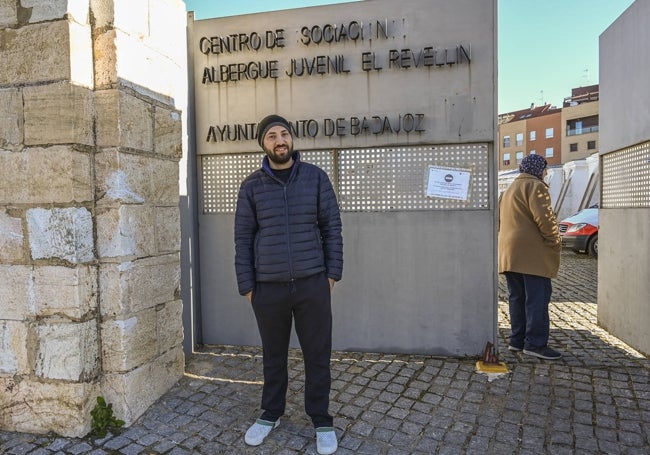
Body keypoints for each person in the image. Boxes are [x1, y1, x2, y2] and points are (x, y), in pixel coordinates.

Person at [234, 114, 343, 454]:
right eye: (271, 136)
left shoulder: (315, 178)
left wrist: (331, 275)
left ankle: (321, 419)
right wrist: (248, 287)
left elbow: (332, 228)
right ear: (263, 144)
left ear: (292, 139)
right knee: (273, 355)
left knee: (317, 354)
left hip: (312, 283)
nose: (279, 140)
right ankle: (271, 413)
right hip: (268, 288)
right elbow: (242, 238)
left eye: (284, 134)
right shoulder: (252, 186)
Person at [498, 153, 562, 360]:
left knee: (517, 297)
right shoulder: (536, 186)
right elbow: (545, 219)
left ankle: (517, 341)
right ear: (537, 168)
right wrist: (554, 241)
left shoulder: (509, 189)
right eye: (545, 168)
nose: (546, 172)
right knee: (537, 299)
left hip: (510, 253)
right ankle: (535, 344)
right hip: (532, 255)